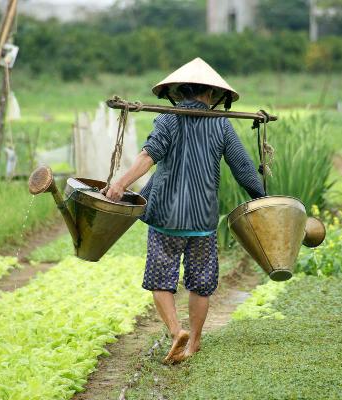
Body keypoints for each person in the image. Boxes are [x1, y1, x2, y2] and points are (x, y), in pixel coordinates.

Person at [105, 58, 265, 363]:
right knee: (201, 283)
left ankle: (176, 330)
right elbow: (244, 169)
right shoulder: (221, 124)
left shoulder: (168, 118)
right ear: (212, 95)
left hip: (166, 218)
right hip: (202, 221)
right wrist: (263, 199)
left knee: (159, 279)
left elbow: (149, 155)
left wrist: (120, 183)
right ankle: (194, 342)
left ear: (180, 92)